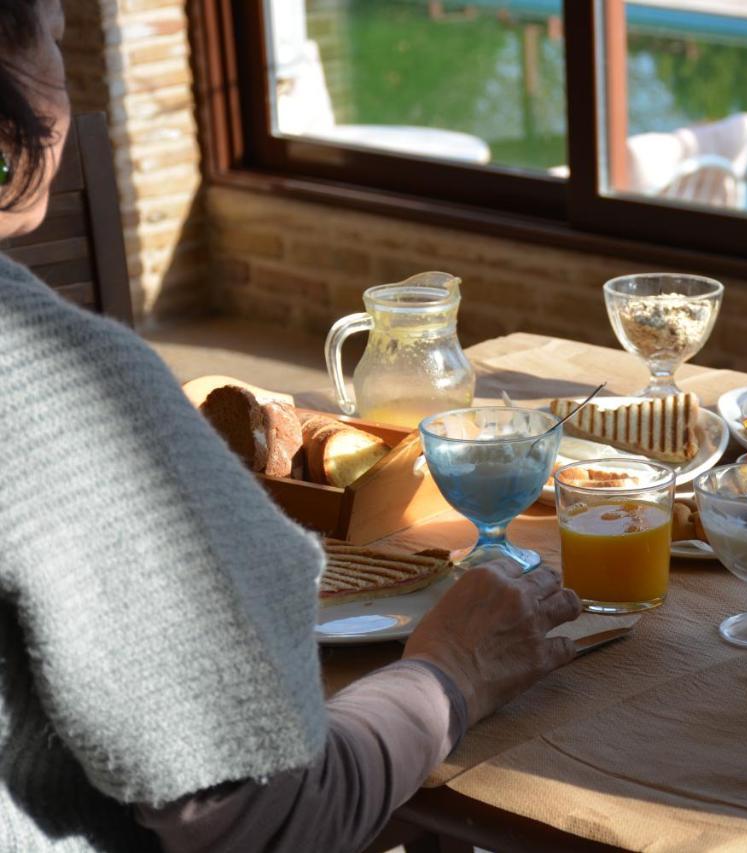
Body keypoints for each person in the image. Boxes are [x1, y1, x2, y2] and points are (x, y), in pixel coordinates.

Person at [0, 1, 581, 850]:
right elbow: (266, 818)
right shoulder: (53, 385)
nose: (69, 65)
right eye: (54, 31)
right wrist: (450, 673)